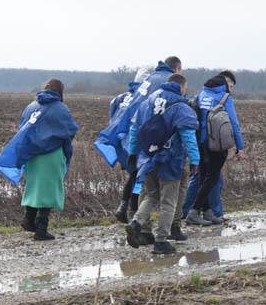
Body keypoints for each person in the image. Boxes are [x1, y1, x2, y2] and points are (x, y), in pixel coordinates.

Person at [0, 78, 80, 241]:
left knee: (34, 186)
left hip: (32, 155)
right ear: (60, 91)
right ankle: (41, 229)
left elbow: (23, 129)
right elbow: (70, 130)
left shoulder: (31, 107)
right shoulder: (60, 108)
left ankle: (28, 219)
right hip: (51, 153)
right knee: (48, 189)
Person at [98, 57, 182, 223]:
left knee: (134, 174)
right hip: (143, 138)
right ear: (177, 69)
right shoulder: (164, 83)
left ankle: (125, 206)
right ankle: (133, 211)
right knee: (140, 176)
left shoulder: (128, 94)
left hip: (127, 139)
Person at [124, 74, 198, 255]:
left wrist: (132, 153)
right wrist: (195, 160)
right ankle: (161, 240)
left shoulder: (147, 102)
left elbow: (134, 129)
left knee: (151, 195)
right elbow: (189, 137)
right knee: (169, 201)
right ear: (182, 87)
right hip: (171, 160)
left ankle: (136, 223)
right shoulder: (181, 107)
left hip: (148, 158)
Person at [184, 71, 245, 227]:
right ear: (224, 84)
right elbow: (234, 123)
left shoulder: (202, 95)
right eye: (230, 85)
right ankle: (194, 212)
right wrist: (240, 146)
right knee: (211, 178)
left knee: (203, 178)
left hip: (201, 143)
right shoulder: (224, 98)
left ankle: (208, 211)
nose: (230, 88)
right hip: (217, 145)